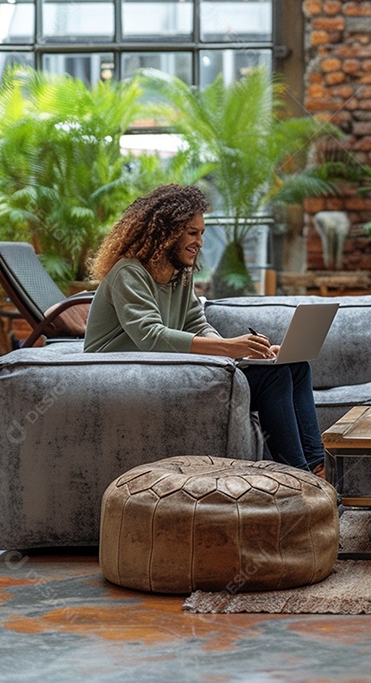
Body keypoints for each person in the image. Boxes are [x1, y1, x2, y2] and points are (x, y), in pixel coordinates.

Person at [83, 184, 326, 475]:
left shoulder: (180, 275)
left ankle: (317, 468)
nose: (199, 242)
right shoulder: (129, 273)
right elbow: (150, 335)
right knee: (273, 377)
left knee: (294, 367)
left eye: (201, 233)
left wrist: (243, 354)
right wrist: (229, 348)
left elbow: (196, 323)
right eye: (191, 233)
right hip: (120, 377)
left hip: (163, 369)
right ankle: (298, 476)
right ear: (166, 232)